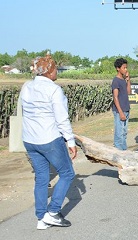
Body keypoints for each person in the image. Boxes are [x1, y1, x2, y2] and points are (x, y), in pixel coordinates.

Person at [21, 54, 76, 229]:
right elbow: (62, 119)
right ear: (49, 71)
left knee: (42, 178)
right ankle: (53, 213)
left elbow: (23, 111)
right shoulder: (54, 90)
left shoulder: (26, 86)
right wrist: (71, 141)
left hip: (29, 139)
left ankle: (41, 218)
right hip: (49, 138)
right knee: (67, 173)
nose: (56, 72)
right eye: (55, 69)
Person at [111, 58, 131, 150]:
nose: (126, 69)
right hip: (120, 110)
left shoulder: (123, 80)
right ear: (118, 68)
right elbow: (115, 97)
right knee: (119, 132)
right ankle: (118, 150)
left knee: (124, 132)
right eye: (124, 67)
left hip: (126, 108)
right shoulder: (116, 81)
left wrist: (128, 80)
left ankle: (124, 149)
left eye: (126, 67)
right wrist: (120, 112)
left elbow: (129, 92)